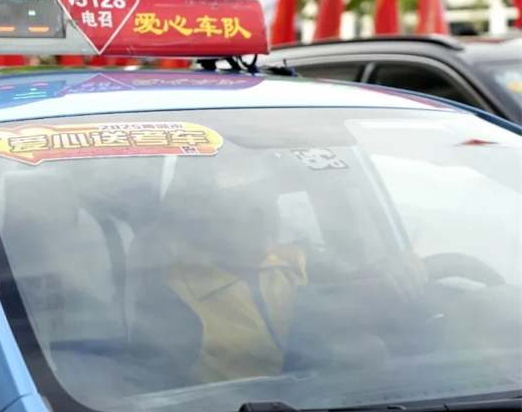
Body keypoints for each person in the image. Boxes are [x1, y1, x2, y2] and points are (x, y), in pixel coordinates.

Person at [125, 155, 427, 387]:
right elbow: (155, 399)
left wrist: (390, 271)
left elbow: (347, 288)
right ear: (202, 219)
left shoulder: (292, 260)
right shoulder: (168, 297)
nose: (264, 216)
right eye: (240, 207)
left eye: (268, 200)